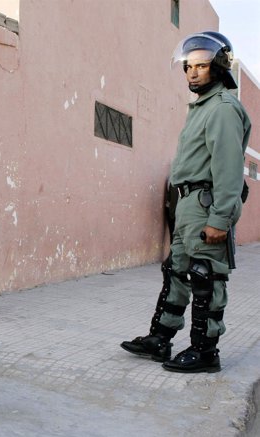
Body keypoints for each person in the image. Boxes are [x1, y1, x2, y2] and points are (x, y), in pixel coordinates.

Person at [121, 31, 251, 373]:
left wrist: (221, 218)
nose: (192, 73)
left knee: (205, 274)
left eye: (202, 66)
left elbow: (228, 170)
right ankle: (160, 338)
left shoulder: (223, 109)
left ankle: (205, 351)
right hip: (187, 203)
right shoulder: (202, 107)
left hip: (206, 204)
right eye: (188, 66)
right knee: (176, 270)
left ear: (219, 67)